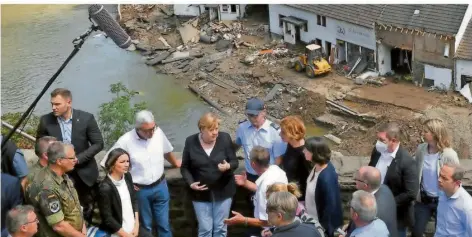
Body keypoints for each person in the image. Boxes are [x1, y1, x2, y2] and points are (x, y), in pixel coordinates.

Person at [100, 110, 181, 237]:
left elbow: (167, 151)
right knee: (145, 226)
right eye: (147, 130)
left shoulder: (158, 133)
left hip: (161, 185)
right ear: (137, 128)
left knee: (164, 225)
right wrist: (125, 182)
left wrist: (175, 163)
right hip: (141, 190)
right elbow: (107, 163)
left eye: (153, 128)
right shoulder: (125, 141)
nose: (151, 132)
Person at [36, 88, 104, 221]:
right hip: (59, 173)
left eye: (57, 104)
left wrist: (78, 159)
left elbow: (98, 143)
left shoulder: (86, 118)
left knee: (87, 204)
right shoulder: (46, 121)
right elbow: (39, 147)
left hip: (83, 172)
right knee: (65, 207)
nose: (53, 107)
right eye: (52, 104)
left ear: (69, 102)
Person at [180, 112, 238, 237]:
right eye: (211, 130)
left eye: (217, 128)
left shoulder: (224, 138)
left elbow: (234, 162)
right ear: (202, 129)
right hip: (200, 193)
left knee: (220, 229)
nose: (215, 132)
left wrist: (228, 166)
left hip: (223, 192)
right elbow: (184, 168)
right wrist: (191, 183)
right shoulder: (190, 141)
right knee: (205, 229)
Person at [25, 141, 86, 237]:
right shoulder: (46, 188)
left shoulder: (63, 176)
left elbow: (76, 206)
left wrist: (83, 231)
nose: (75, 160)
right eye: (72, 158)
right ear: (59, 161)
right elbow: (59, 226)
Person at [224, 146, 288, 236]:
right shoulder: (277, 170)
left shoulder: (264, 186)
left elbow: (267, 221)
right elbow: (264, 189)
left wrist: (243, 220)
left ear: (253, 164)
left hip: (269, 230)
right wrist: (246, 183)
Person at [368, 122, 418, 237]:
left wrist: (387, 204)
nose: (378, 143)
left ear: (394, 140)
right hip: (373, 211)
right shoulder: (377, 152)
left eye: (382, 140)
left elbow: (411, 193)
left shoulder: (407, 162)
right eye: (378, 139)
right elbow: (370, 171)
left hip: (396, 217)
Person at [412, 119, 460, 237]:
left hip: (443, 201)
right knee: (416, 232)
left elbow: (457, 177)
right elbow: (414, 168)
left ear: (435, 133)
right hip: (423, 200)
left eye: (426, 131)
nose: (423, 133)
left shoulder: (449, 154)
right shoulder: (421, 149)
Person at [96, 148, 152, 237]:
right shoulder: (105, 188)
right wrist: (125, 235)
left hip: (134, 227)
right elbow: (107, 218)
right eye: (122, 162)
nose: (126, 165)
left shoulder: (127, 176)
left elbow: (134, 200)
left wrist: (136, 225)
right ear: (112, 164)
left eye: (127, 161)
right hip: (118, 232)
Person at [233, 98, 286, 183]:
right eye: (250, 115)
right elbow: (236, 144)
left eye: (255, 115)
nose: (252, 119)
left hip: (268, 176)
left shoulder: (275, 132)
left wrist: (270, 175)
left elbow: (279, 158)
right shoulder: (242, 128)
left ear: (264, 112)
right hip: (250, 174)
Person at [303, 136, 343, 237]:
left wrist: (322, 230)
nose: (303, 151)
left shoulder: (326, 178)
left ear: (314, 153)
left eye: (306, 150)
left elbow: (330, 207)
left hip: (320, 226)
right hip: (312, 219)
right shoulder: (318, 166)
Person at [346, 166, 398, 237]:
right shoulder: (385, 188)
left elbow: (363, 229)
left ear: (365, 185)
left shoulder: (372, 211)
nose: (355, 182)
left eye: (357, 179)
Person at [276, 116, 310, 201]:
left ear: (292, 133)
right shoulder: (291, 144)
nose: (280, 134)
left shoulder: (305, 154)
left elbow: (309, 180)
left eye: (283, 132)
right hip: (288, 189)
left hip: (298, 196)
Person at [434, 163, 472, 237]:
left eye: (444, 178)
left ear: (457, 183)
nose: (439, 180)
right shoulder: (442, 191)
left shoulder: (467, 206)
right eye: (439, 175)